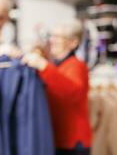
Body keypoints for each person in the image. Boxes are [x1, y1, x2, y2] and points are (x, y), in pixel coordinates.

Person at [21, 20, 92, 155]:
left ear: (73, 42)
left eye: (58, 37)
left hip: (72, 143)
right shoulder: (57, 65)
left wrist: (43, 65)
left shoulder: (77, 65)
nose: (52, 40)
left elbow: (72, 92)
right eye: (52, 36)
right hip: (60, 139)